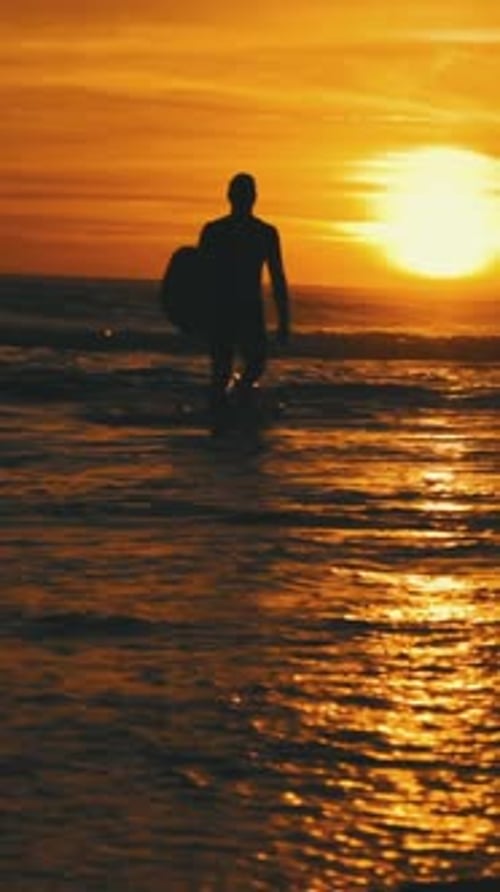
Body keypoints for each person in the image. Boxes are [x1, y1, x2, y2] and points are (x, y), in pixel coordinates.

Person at [198, 172, 290, 417]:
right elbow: (199, 274)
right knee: (223, 369)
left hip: (240, 309)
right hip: (227, 309)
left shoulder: (264, 233)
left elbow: (277, 276)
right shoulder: (216, 231)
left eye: (246, 194)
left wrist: (284, 320)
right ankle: (225, 411)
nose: (244, 199)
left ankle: (233, 404)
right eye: (242, 194)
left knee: (251, 365)